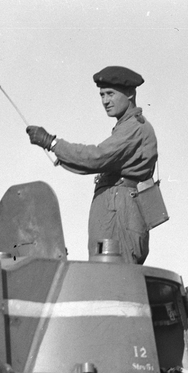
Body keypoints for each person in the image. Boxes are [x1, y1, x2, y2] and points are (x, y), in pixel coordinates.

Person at [26, 66, 158, 262]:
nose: (105, 101)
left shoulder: (134, 128)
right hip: (115, 209)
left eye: (110, 94)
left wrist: (51, 143)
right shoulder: (126, 126)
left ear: (130, 93)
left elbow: (97, 157)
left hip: (119, 213)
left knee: (112, 278)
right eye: (102, 95)